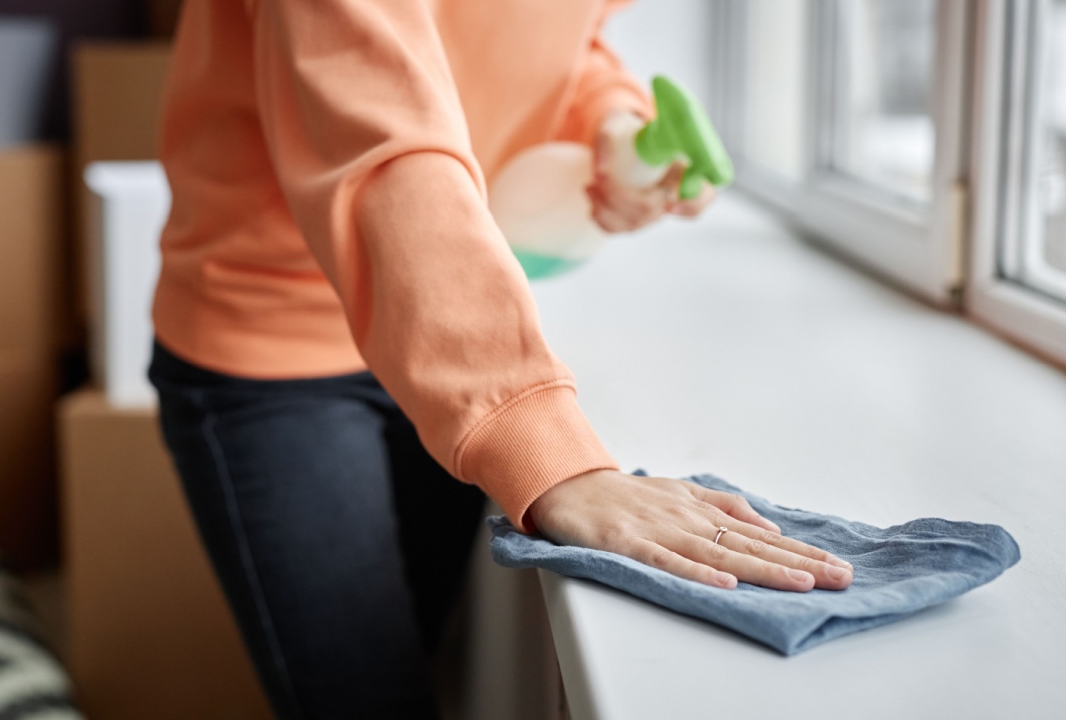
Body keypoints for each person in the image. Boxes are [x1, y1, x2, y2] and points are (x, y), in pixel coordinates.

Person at [147, 1, 854, 717]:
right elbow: (384, 147)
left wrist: (608, 121)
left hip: (443, 329)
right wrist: (546, 447)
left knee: (407, 656)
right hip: (276, 345)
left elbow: (551, 38)